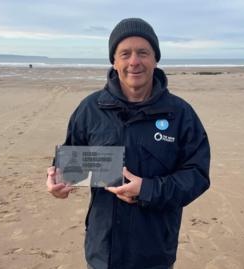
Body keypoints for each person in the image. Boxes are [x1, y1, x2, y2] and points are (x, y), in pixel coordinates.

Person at [46, 18, 210, 269]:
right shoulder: (91, 108)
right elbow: (69, 160)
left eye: (143, 52)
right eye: (125, 53)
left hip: (154, 250)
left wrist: (147, 189)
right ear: (115, 61)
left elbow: (197, 175)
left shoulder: (180, 114)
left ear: (155, 59)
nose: (134, 61)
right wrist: (58, 181)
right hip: (103, 250)